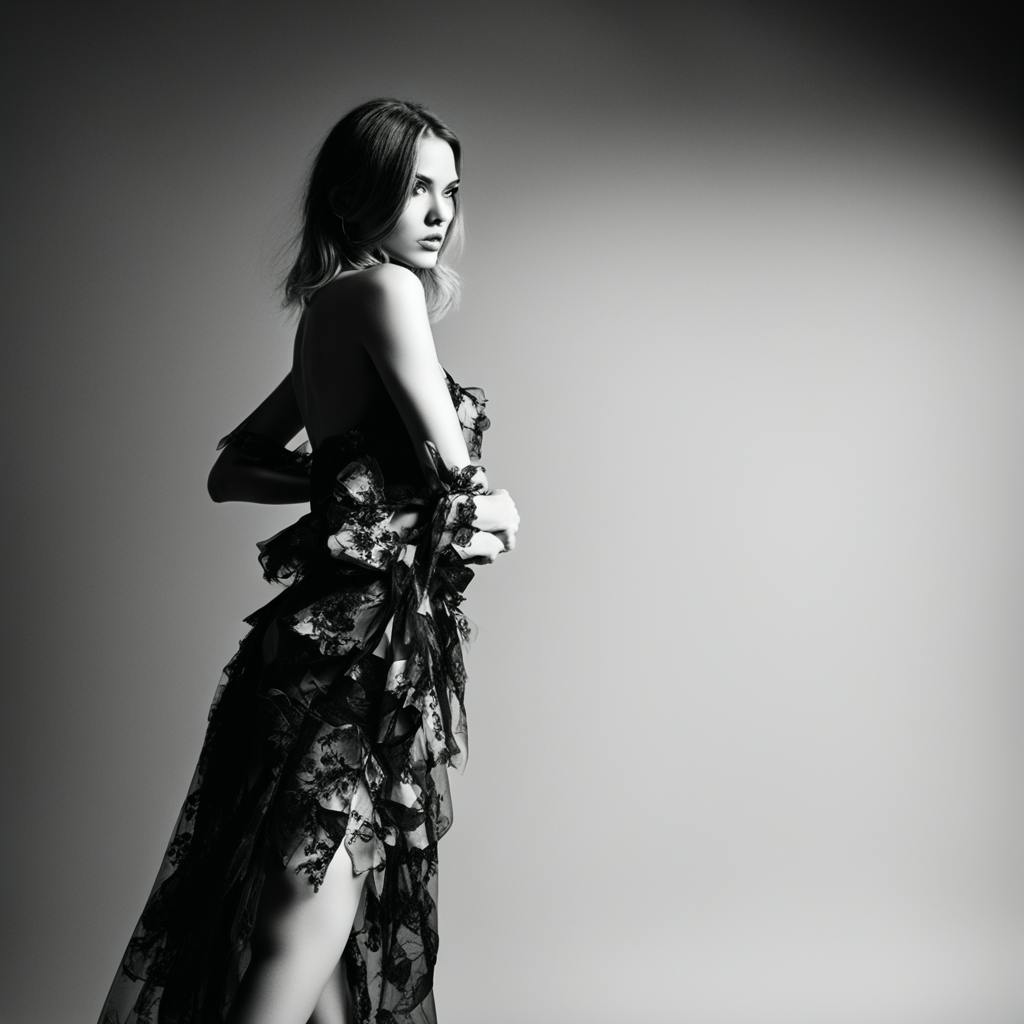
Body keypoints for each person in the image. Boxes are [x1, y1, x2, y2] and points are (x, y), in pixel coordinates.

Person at [96, 97, 520, 1024]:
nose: (441, 212)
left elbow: (233, 470)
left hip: (319, 660)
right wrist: (496, 511)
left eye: (451, 190)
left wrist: (351, 486)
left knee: (322, 963)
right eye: (416, 187)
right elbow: (459, 484)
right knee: (303, 949)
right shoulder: (386, 293)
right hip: (351, 671)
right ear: (353, 193)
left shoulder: (332, 310)